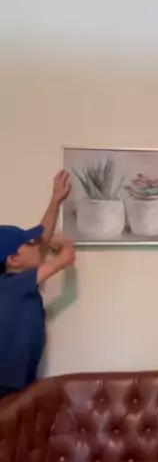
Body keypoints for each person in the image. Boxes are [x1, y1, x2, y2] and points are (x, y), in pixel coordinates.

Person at [0, 170, 75, 401]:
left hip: (16, 384)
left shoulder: (15, 280)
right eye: (29, 243)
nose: (38, 245)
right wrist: (64, 244)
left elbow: (42, 238)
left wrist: (56, 199)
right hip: (5, 388)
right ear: (13, 260)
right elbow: (66, 257)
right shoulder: (16, 284)